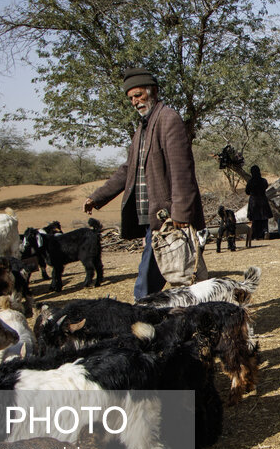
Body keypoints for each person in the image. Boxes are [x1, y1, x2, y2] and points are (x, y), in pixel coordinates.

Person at [84, 68, 206, 299]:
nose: (135, 101)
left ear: (154, 92)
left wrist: (180, 215)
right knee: (183, 271)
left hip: (167, 217)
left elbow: (182, 172)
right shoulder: (142, 128)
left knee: (149, 283)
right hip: (151, 217)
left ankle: (143, 319)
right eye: (131, 98)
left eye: (138, 95)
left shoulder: (168, 119)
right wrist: (98, 196)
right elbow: (128, 170)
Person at [245, 165, 273, 240]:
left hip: (254, 201)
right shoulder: (263, 181)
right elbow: (266, 187)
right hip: (263, 200)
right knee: (264, 217)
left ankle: (256, 235)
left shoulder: (250, 182)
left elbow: (247, 192)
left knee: (255, 219)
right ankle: (265, 231)